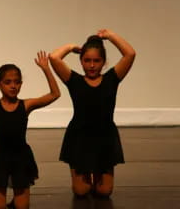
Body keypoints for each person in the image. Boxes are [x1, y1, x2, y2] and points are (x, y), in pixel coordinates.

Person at [0, 52, 61, 209]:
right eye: (8, 82)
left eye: (17, 82)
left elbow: (55, 94)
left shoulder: (26, 105)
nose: (13, 86)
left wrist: (46, 69)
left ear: (21, 84)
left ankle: (14, 198)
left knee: (22, 208)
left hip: (20, 157)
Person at [48, 29, 135, 198]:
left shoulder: (112, 79)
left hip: (105, 137)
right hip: (80, 137)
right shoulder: (74, 80)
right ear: (81, 61)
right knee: (81, 191)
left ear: (104, 62)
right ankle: (85, 175)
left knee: (104, 192)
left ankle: (96, 175)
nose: (92, 65)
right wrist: (72, 47)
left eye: (97, 60)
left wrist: (110, 36)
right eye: (87, 60)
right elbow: (54, 57)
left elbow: (130, 54)